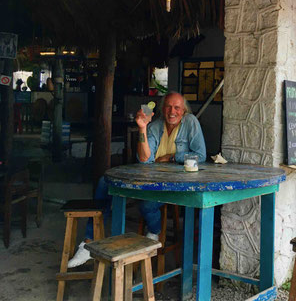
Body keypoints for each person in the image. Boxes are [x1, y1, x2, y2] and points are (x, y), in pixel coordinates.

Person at [67, 92, 206, 268]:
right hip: (151, 178)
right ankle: (88, 241)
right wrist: (142, 128)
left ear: (184, 110)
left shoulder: (191, 122)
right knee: (104, 182)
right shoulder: (155, 126)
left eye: (177, 107)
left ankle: (154, 230)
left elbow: (200, 155)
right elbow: (144, 160)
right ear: (162, 109)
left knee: (147, 206)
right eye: (168, 107)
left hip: (177, 182)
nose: (172, 111)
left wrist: (171, 157)